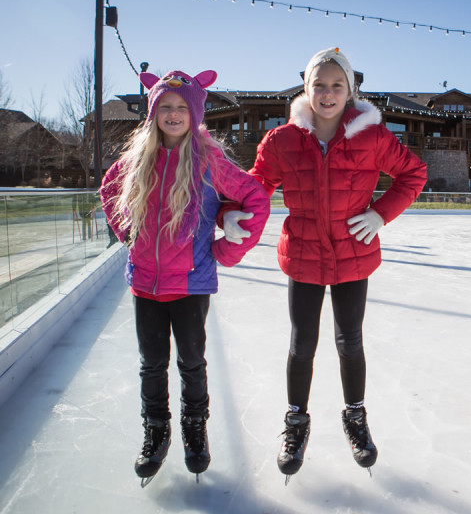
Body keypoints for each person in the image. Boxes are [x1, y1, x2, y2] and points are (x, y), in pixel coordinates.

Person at [222, 47, 427, 477]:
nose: (328, 93)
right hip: (303, 253)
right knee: (303, 343)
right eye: (319, 85)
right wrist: (228, 213)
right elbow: (254, 187)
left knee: (350, 341)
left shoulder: (372, 136)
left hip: (353, 254)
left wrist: (380, 214)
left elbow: (413, 173)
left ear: (349, 91)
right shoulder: (282, 140)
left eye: (337, 85)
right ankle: (296, 422)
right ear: (306, 88)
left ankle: (355, 416)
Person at [100, 69, 269, 485]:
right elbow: (108, 189)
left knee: (192, 363)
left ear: (194, 114)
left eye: (181, 107)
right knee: (152, 365)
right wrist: (128, 235)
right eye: (165, 107)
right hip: (145, 283)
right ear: (153, 112)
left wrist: (227, 250)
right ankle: (156, 430)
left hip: (191, 284)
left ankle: (195, 428)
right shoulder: (137, 159)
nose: (173, 114)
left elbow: (256, 197)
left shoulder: (208, 161)